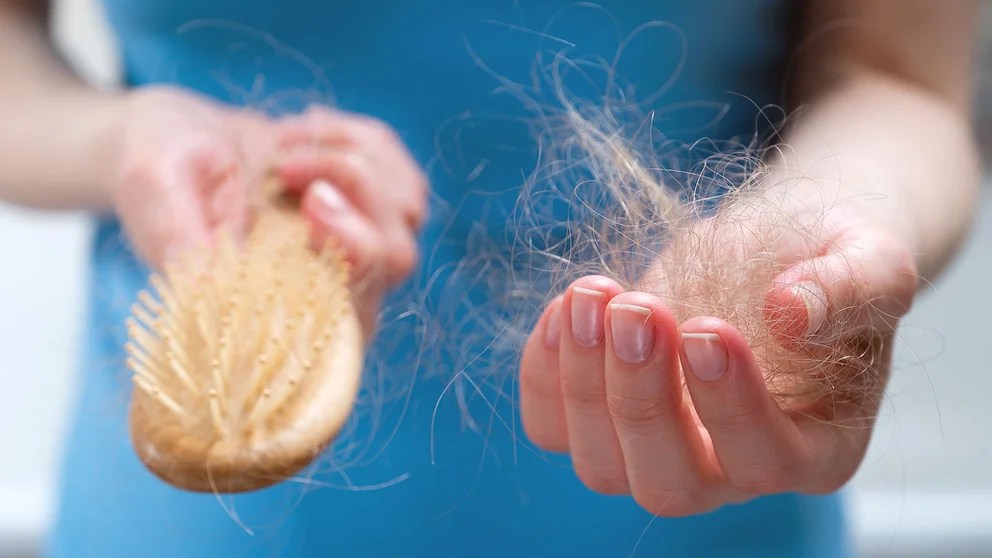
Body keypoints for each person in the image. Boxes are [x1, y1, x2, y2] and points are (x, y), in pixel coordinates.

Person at [0, 0, 981, 556]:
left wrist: (837, 228)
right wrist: (119, 139)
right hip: (183, 525)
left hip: (699, 495)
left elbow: (894, 81)